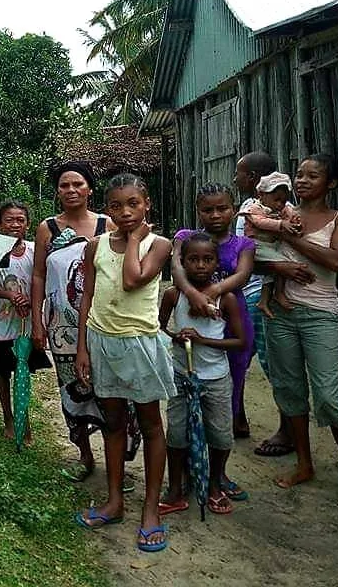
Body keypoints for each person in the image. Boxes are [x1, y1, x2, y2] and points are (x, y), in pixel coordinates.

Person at [73, 173, 174, 553]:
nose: (125, 211)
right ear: (107, 208)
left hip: (140, 344)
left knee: (150, 424)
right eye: (116, 206)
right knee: (113, 423)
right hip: (103, 341)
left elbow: (133, 280)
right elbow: (88, 297)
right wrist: (83, 346)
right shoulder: (95, 245)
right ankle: (114, 501)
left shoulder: (159, 244)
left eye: (134, 203)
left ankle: (151, 510)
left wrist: (133, 240)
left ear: (147, 204)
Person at [265, 154, 338, 508]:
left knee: (329, 397)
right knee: (290, 390)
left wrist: (289, 239)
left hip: (320, 314)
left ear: (332, 184)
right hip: (280, 313)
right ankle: (305, 464)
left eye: (313, 175)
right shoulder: (281, 214)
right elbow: (253, 253)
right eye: (299, 174)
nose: (303, 180)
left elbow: (335, 260)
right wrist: (281, 259)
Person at [30, 161, 115, 480]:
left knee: (110, 389)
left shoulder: (107, 226)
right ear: (58, 191)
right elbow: (38, 274)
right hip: (61, 327)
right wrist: (38, 322)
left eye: (77, 184)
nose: (71, 190)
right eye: (64, 185)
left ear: (89, 188)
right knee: (72, 388)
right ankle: (84, 455)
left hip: (104, 320)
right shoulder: (47, 228)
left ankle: (115, 458)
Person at [172, 183, 255, 484]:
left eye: (223, 208)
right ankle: (188, 469)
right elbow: (175, 267)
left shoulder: (244, 244)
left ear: (234, 210)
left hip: (232, 317)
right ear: (198, 211)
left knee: (225, 392)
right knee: (187, 399)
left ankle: (217, 473)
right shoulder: (185, 238)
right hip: (193, 310)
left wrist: (209, 294)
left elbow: (242, 275)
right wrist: (193, 295)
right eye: (208, 209)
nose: (216, 215)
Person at [159, 233, 245, 516]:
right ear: (182, 263)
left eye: (207, 260)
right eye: (193, 260)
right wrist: (175, 336)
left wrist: (201, 340)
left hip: (216, 378)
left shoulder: (226, 298)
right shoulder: (173, 295)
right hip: (182, 375)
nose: (200, 266)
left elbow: (240, 341)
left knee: (220, 433)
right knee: (177, 432)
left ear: (217, 263)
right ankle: (175, 488)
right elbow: (158, 328)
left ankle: (215, 483)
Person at [234, 151, 294, 456]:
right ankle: (238, 418)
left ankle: (288, 430)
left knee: (273, 365)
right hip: (248, 293)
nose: (235, 179)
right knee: (240, 361)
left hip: (257, 294)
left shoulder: (254, 207)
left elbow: (248, 256)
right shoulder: (258, 208)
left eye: (240, 174)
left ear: (255, 180)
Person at [0, 200, 50, 444]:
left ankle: (23, 419)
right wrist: (9, 295)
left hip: (28, 323)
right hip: (3, 323)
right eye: (9, 220)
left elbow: (43, 279)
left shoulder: (34, 251)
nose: (15, 225)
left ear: (27, 224)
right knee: (3, 370)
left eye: (20, 220)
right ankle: (8, 417)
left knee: (24, 371)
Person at [237, 171, 301, 317]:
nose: (280, 204)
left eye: (283, 201)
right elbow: (260, 222)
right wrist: (281, 224)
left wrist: (294, 219)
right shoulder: (254, 208)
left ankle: (264, 300)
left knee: (271, 274)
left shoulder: (281, 208)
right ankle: (278, 293)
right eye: (276, 200)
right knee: (283, 264)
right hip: (257, 245)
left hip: (270, 245)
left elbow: (290, 212)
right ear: (261, 195)